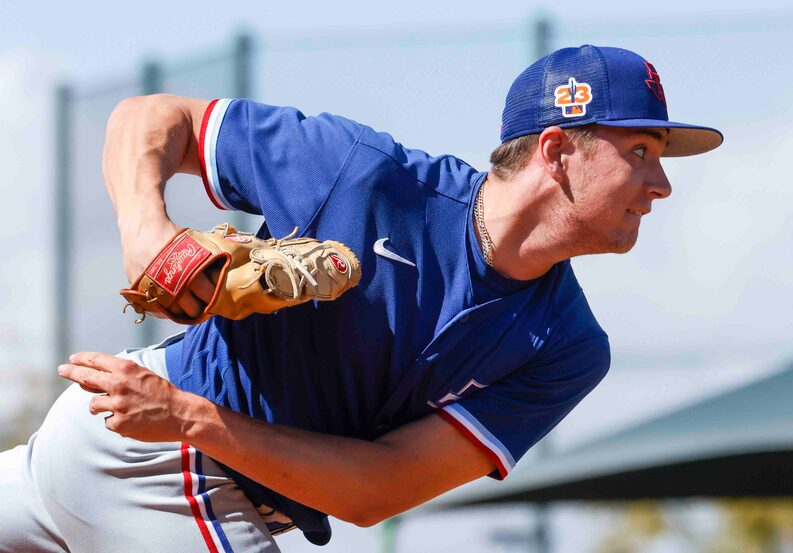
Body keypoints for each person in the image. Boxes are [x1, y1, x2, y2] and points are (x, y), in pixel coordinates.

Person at [0, 44, 722, 552]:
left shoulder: (565, 345)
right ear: (558, 151)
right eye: (640, 152)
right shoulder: (365, 176)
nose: (661, 184)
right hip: (155, 458)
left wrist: (188, 417)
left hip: (170, 435)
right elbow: (150, 118)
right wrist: (148, 234)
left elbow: (375, 490)